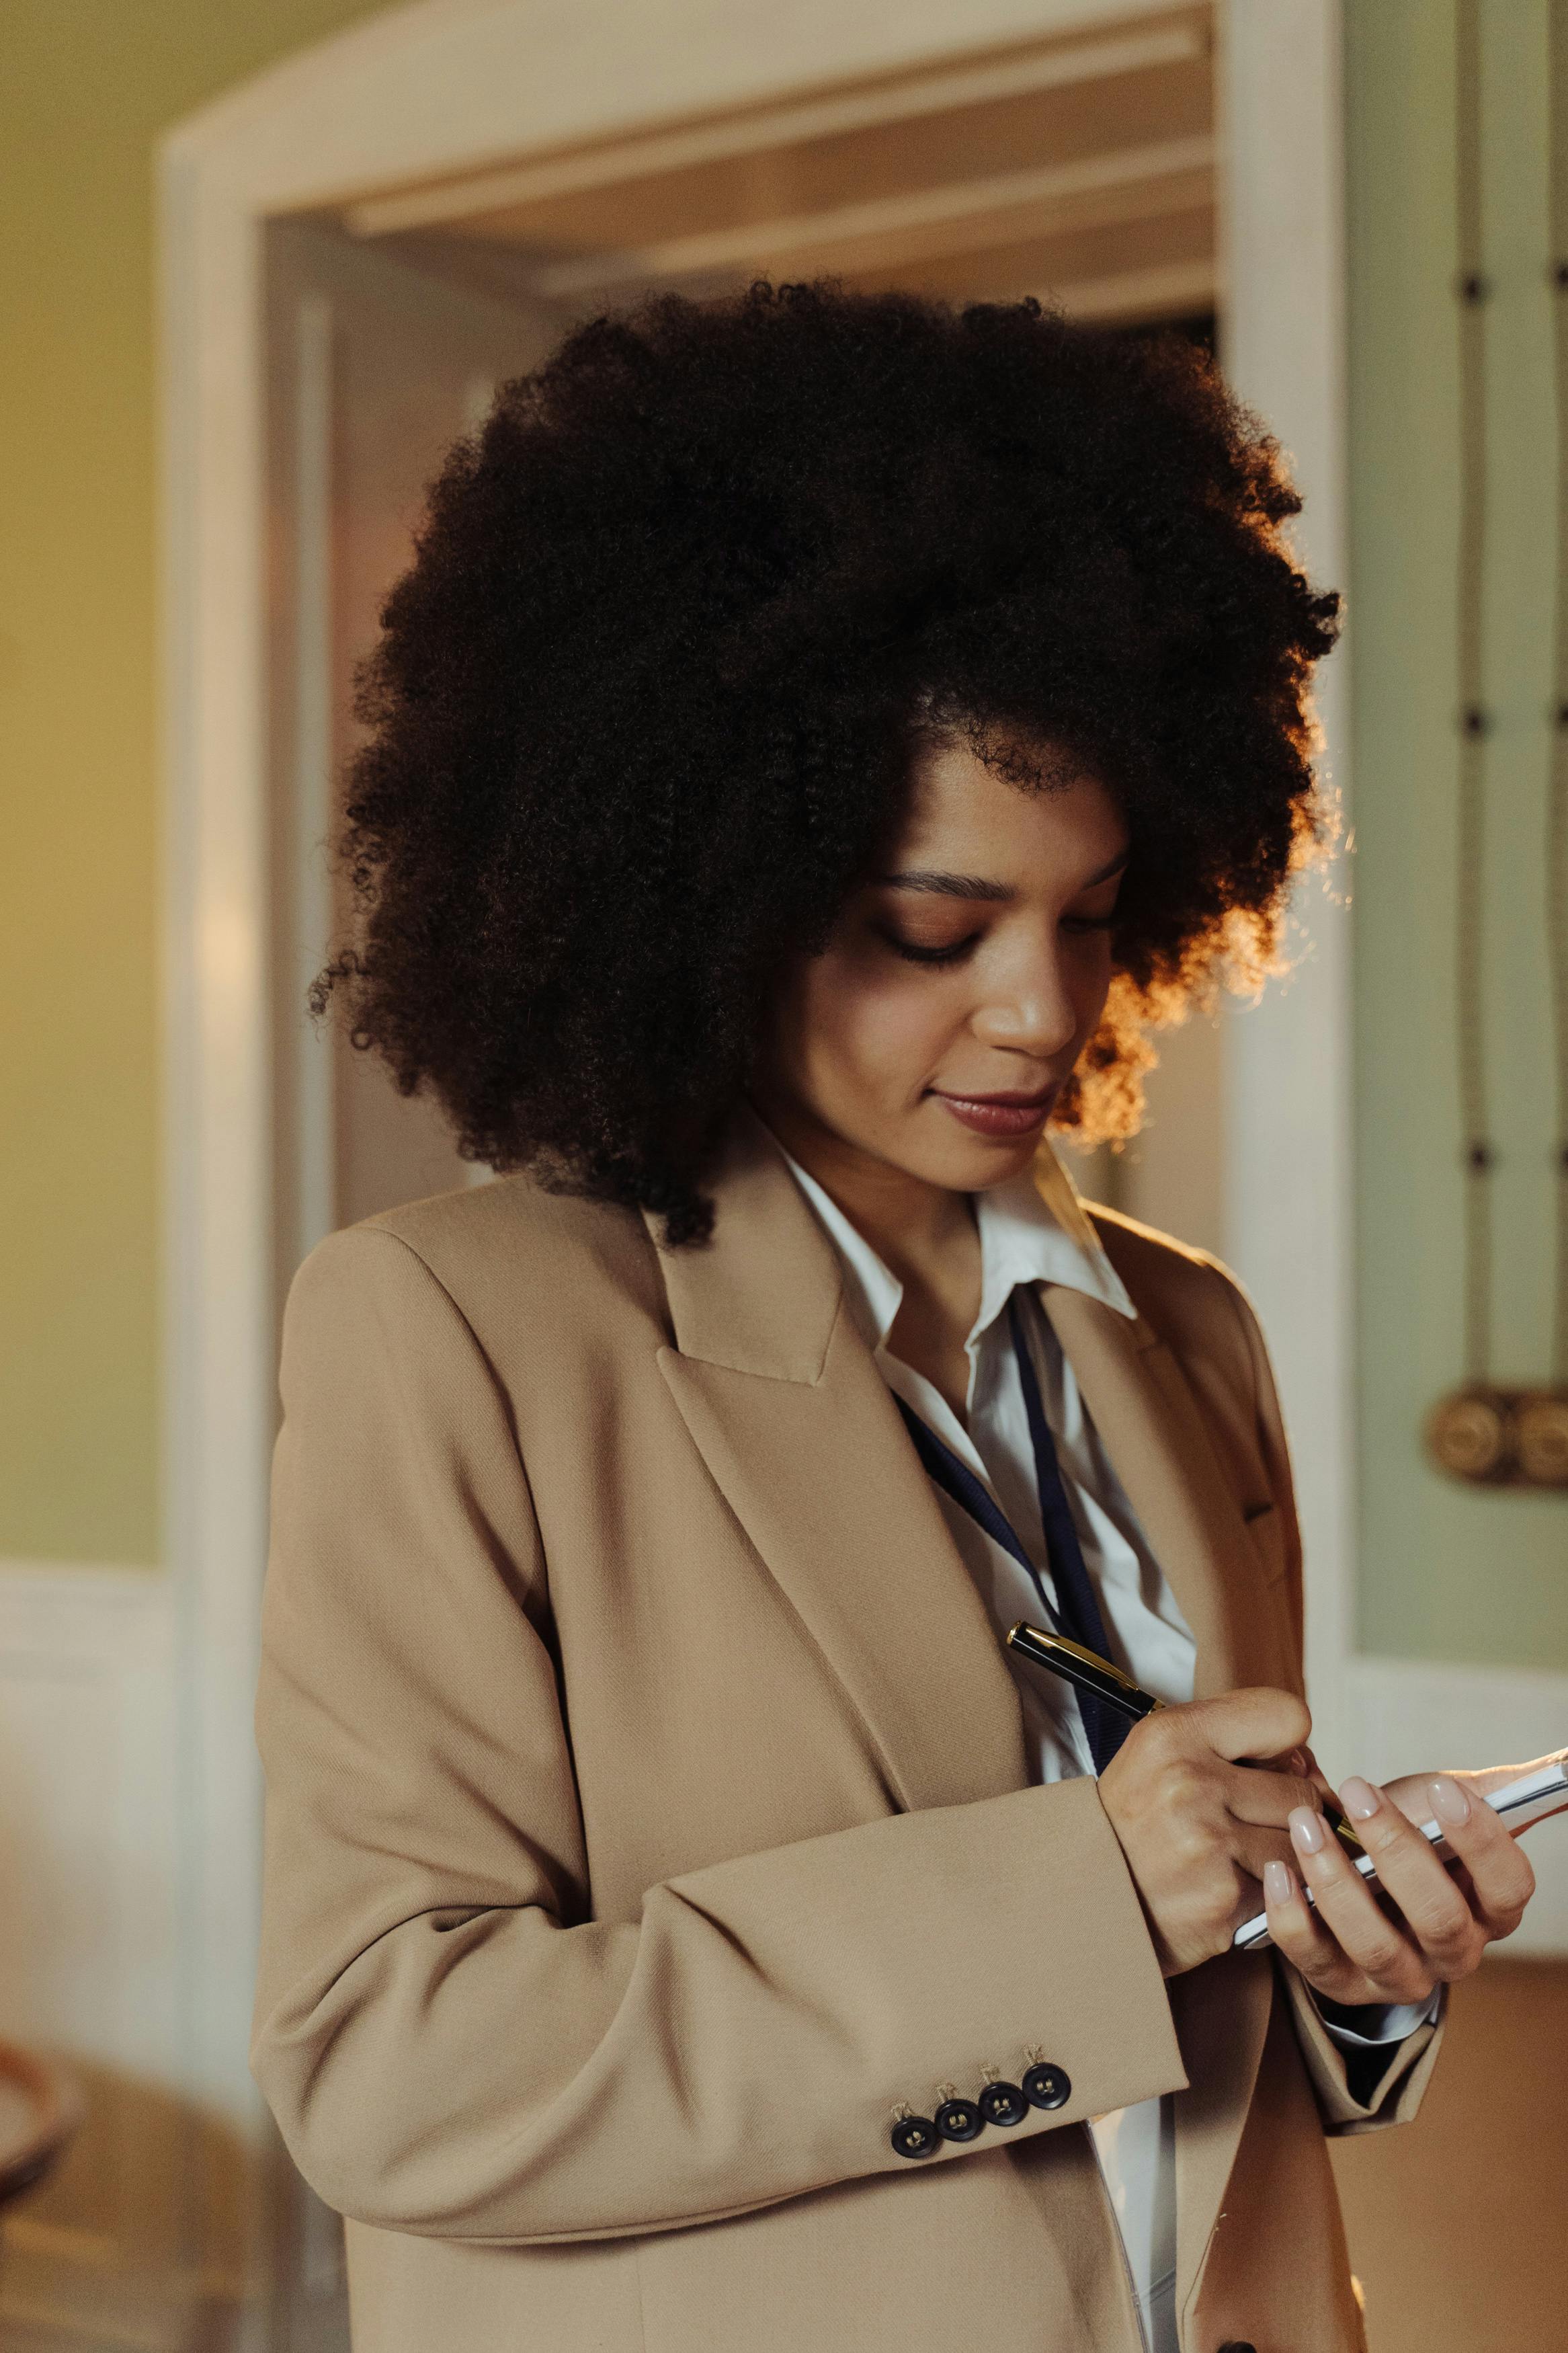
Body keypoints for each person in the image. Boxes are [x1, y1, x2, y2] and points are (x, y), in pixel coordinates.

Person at [251, 282, 1538, 2353]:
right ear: (706, 886)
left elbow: (1201, 2069)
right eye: (935, 928)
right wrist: (1079, 1891)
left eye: (1097, 915)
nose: (1045, 1009)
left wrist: (1357, 1979)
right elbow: (399, 2062)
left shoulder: (1186, 1335)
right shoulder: (448, 1332)